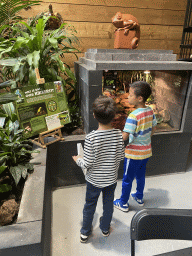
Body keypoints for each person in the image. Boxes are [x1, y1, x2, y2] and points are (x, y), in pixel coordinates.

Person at [72, 95, 125, 243]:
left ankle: (85, 232)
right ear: (114, 116)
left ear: (94, 115)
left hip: (94, 181)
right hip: (111, 179)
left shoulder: (91, 138)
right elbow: (121, 156)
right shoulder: (118, 135)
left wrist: (78, 160)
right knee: (108, 205)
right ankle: (105, 228)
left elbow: (87, 163)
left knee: (89, 205)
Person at [113, 81, 157, 212]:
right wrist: (146, 139)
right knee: (140, 176)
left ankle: (123, 203)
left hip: (133, 154)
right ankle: (139, 196)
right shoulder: (150, 111)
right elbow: (154, 128)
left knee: (127, 179)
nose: (128, 97)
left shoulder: (133, 116)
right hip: (146, 152)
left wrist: (114, 137)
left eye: (130, 95)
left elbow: (125, 137)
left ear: (139, 98)